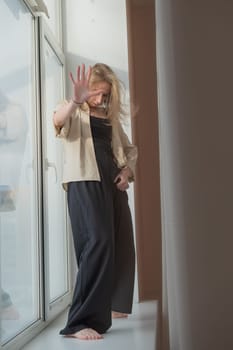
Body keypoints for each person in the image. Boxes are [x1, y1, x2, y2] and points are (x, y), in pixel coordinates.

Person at [53, 63, 138, 340]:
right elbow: (57, 120)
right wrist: (77, 100)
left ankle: (109, 306)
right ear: (86, 88)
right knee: (97, 243)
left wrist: (126, 172)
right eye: (96, 93)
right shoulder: (73, 108)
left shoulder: (109, 117)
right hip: (85, 181)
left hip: (112, 183)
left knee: (121, 242)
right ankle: (78, 322)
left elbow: (128, 149)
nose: (100, 100)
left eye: (105, 95)